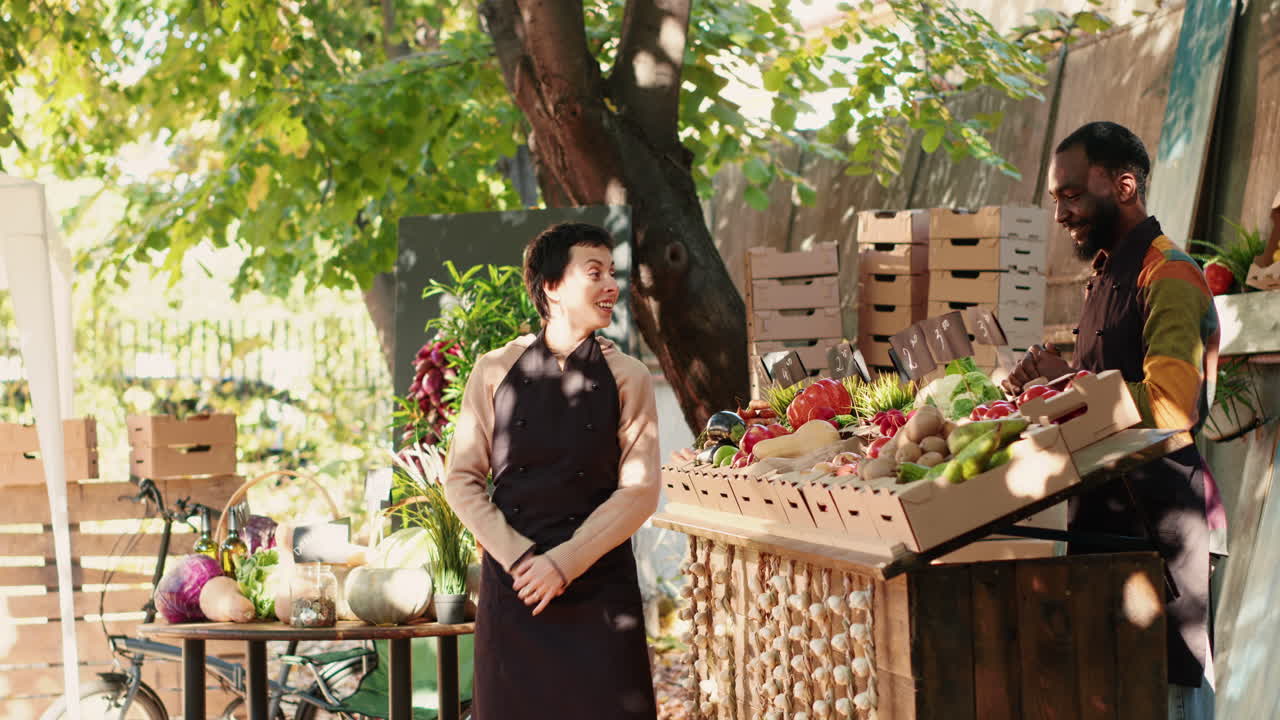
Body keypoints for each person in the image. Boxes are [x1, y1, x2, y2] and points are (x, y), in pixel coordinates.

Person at [1002, 122, 1218, 717]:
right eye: (1055, 200)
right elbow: (1107, 383)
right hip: (1103, 528)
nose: (1061, 213)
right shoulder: (1106, 272)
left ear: (1124, 186)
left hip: (1157, 536)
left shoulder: (1168, 273)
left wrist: (1065, 386)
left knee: (1167, 698)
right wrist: (1053, 382)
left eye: (1072, 195)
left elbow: (1172, 407)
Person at [443, 222, 660, 719]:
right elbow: (462, 480)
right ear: (552, 287)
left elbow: (640, 491)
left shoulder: (629, 376)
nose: (612, 286)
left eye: (613, 272)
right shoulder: (494, 370)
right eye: (595, 272)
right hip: (517, 589)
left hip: (600, 589)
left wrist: (564, 563)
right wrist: (521, 561)